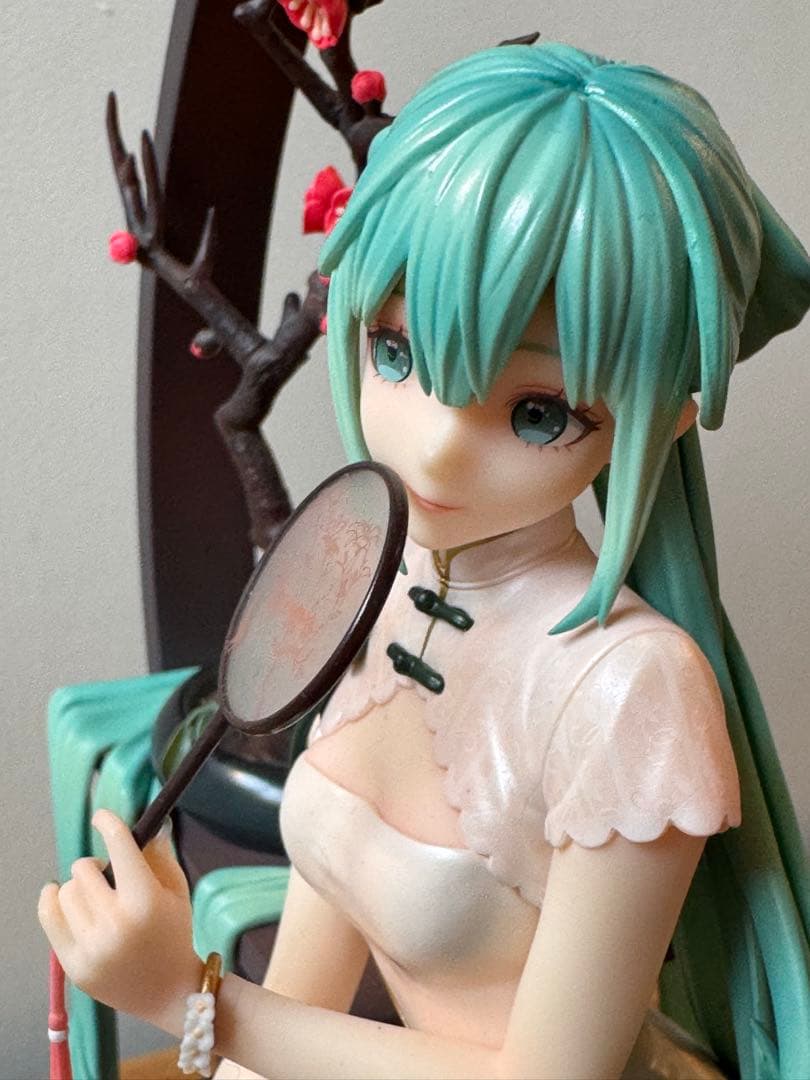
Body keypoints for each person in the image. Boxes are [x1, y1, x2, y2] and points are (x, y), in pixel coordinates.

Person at [40, 42, 810, 1079]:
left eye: (537, 412)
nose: (439, 446)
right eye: (396, 352)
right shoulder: (380, 574)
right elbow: (317, 940)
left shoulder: (631, 690)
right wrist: (215, 1041)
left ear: (663, 418)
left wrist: (194, 1001)